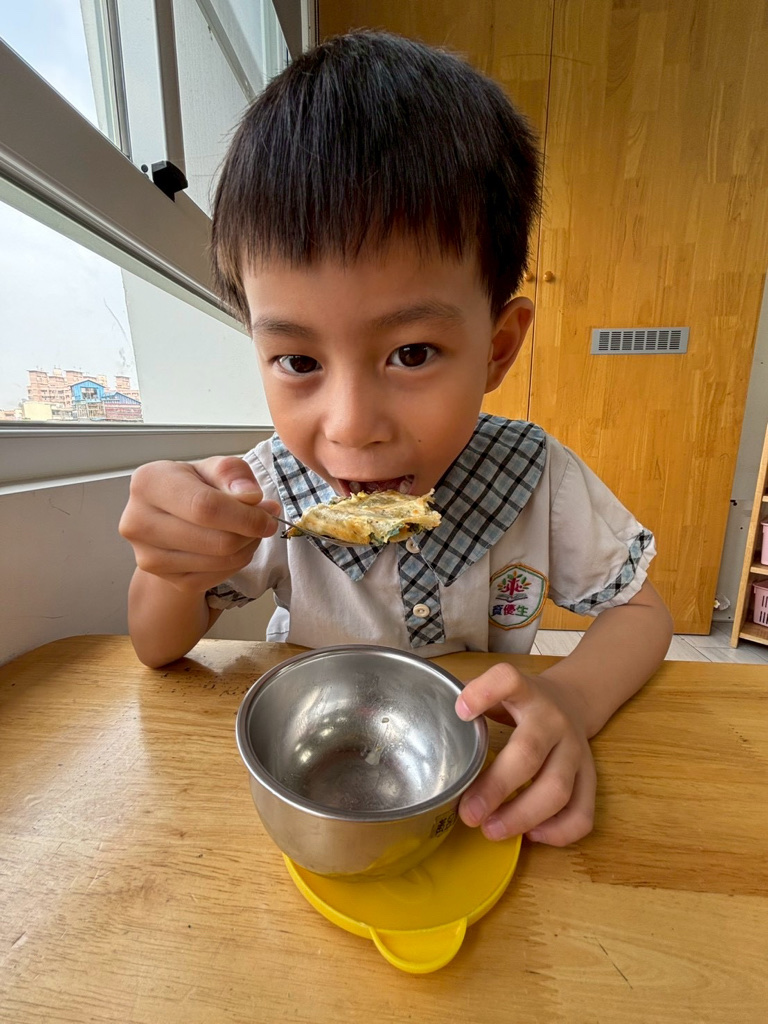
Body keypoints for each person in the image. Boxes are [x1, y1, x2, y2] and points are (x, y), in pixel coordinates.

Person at [119, 31, 673, 848]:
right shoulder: (263, 489)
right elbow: (154, 648)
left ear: (497, 348)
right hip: (310, 774)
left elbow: (643, 611)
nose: (350, 426)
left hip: (474, 775)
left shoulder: (534, 476)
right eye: (298, 360)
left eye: (411, 354)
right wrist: (171, 565)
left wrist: (574, 696)